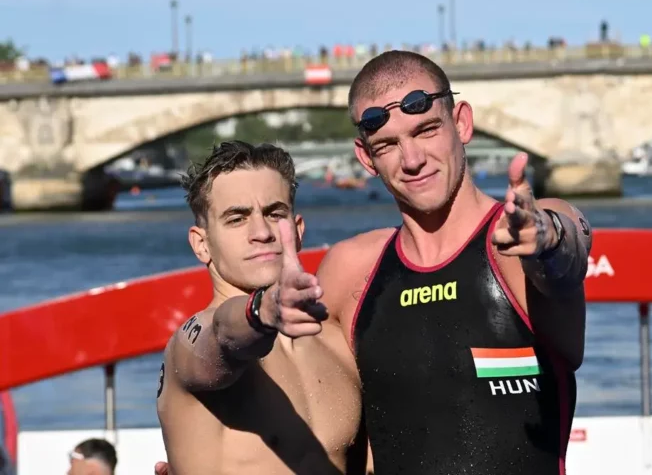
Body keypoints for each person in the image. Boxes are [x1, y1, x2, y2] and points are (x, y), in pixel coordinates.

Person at [311, 50, 593, 474]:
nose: (412, 160)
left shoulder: (516, 243)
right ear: (366, 158)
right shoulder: (350, 271)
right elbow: (304, 414)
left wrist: (546, 240)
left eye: (426, 131)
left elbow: (568, 243)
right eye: (388, 145)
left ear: (461, 123)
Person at [155, 141, 368, 475]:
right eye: (237, 219)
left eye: (274, 213)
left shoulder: (337, 344)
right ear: (201, 243)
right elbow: (223, 335)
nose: (262, 232)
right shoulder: (192, 345)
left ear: (297, 231)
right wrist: (263, 311)